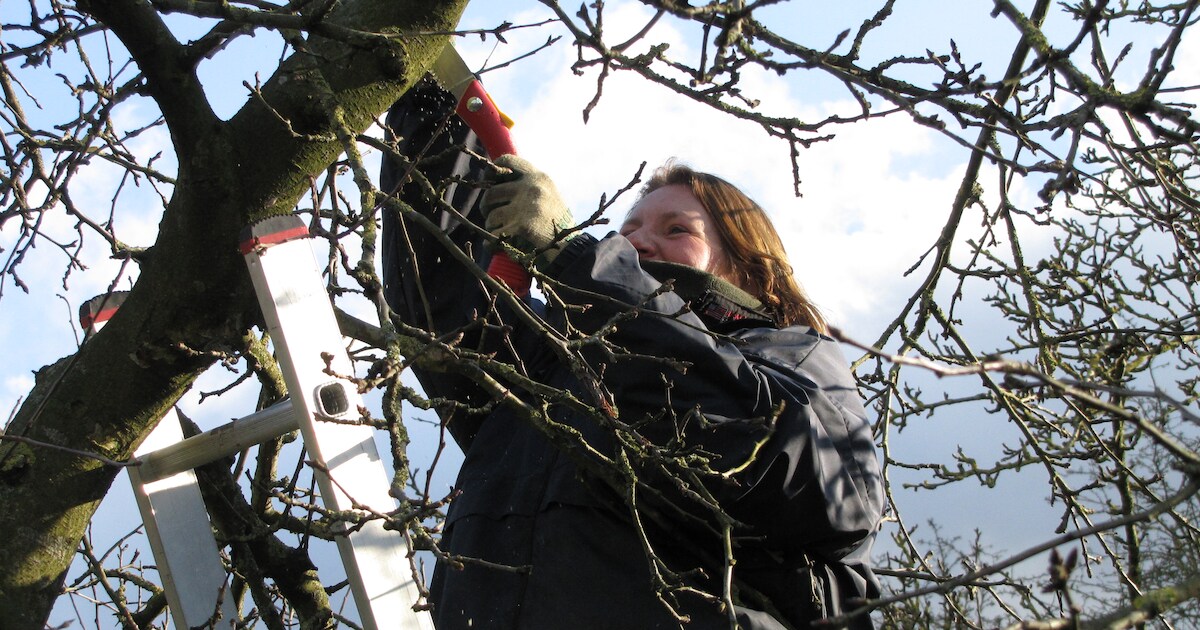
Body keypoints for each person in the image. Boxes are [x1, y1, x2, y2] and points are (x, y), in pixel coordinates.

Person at [380, 79, 884, 629]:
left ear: (749, 269)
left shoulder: (797, 357)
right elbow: (451, 314)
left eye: (676, 229)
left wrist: (575, 258)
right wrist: (430, 117)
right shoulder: (560, 361)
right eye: (628, 230)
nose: (638, 243)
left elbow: (786, 469)